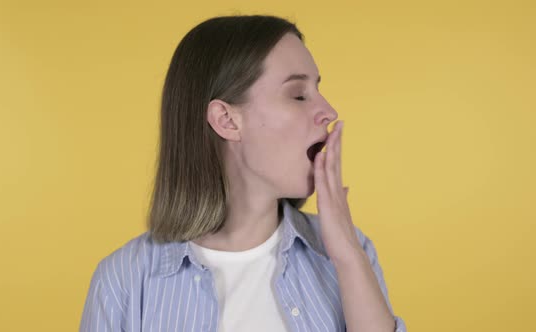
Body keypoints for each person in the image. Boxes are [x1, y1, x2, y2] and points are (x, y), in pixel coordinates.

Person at [79, 15, 406, 332]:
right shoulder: (124, 280)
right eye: (298, 95)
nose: (329, 112)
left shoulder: (351, 251)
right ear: (227, 120)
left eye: (317, 90)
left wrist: (349, 257)